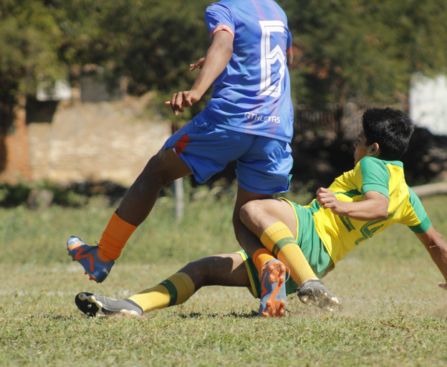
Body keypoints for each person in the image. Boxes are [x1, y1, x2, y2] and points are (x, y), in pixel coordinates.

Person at [73, 107, 447, 319]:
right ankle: (131, 306)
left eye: (360, 140)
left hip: (306, 232)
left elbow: (377, 205)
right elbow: (436, 245)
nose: (355, 145)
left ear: (375, 147)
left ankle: (305, 283)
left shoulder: (372, 166)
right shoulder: (410, 199)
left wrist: (342, 205)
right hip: (316, 258)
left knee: (251, 208)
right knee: (202, 269)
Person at [67, 0, 310, 296]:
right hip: (275, 127)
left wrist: (197, 90)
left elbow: (223, 45)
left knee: (155, 172)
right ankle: (269, 272)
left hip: (230, 121)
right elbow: (284, 60)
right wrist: (218, 62)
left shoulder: (223, 9)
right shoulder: (275, 10)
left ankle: (102, 256)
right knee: (249, 216)